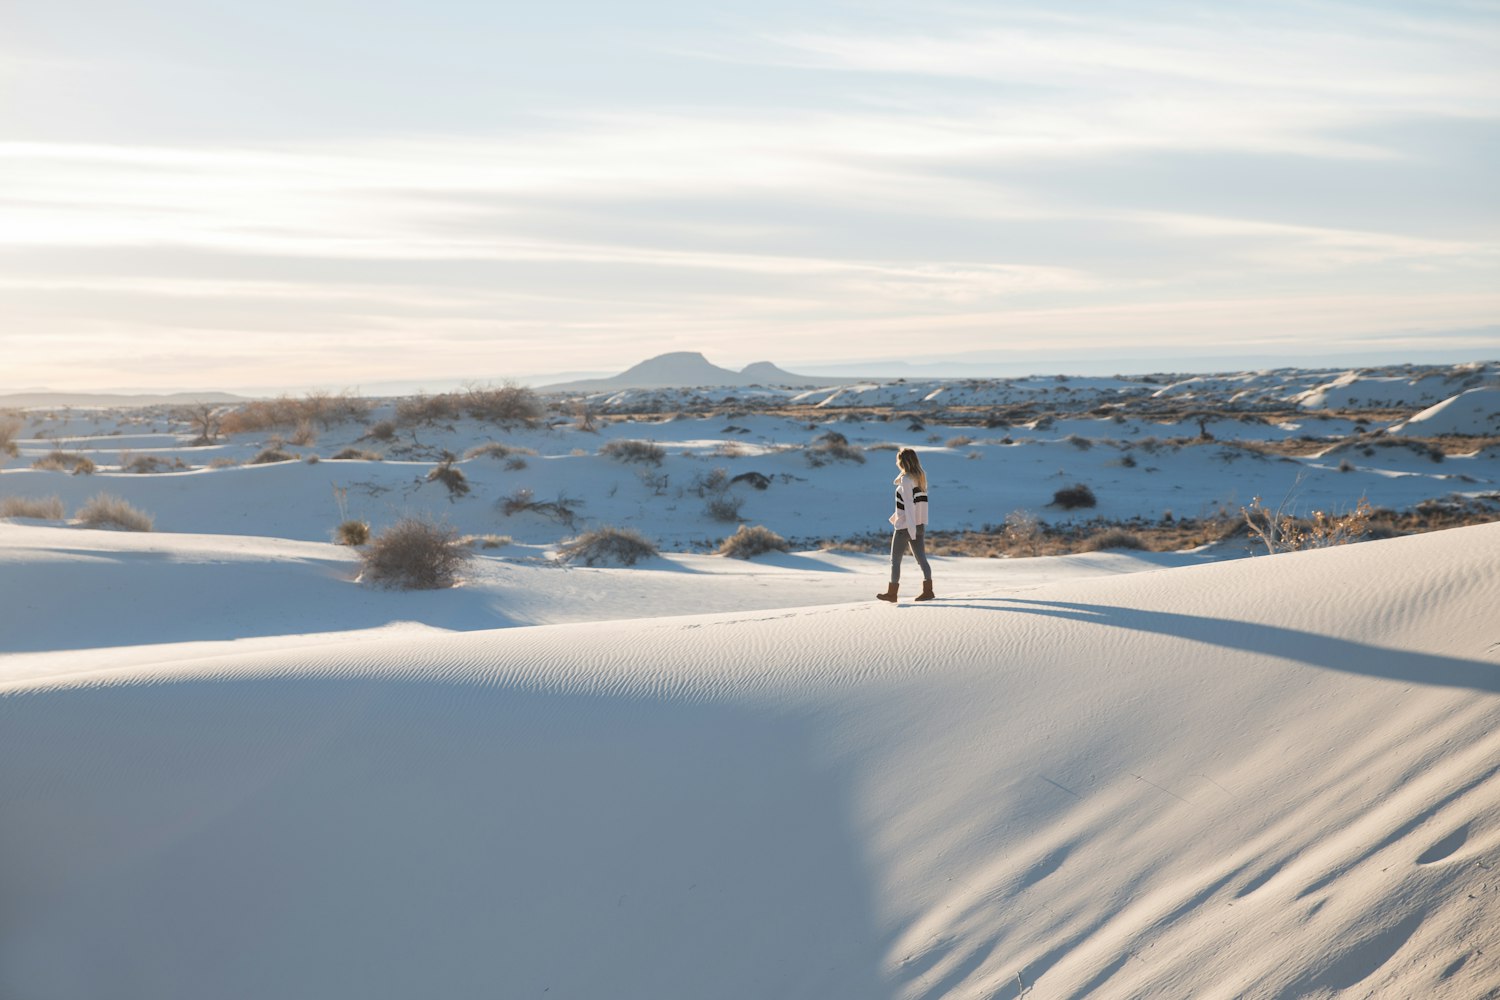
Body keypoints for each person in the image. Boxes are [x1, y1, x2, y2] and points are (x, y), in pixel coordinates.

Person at [877, 447, 935, 603]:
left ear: (903, 461)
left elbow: (909, 505)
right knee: (921, 558)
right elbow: (918, 505)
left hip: (906, 526)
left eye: (898, 459)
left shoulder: (906, 480)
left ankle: (892, 593)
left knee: (895, 561)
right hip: (919, 524)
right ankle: (928, 591)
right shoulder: (920, 478)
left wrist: (909, 528)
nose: (897, 462)